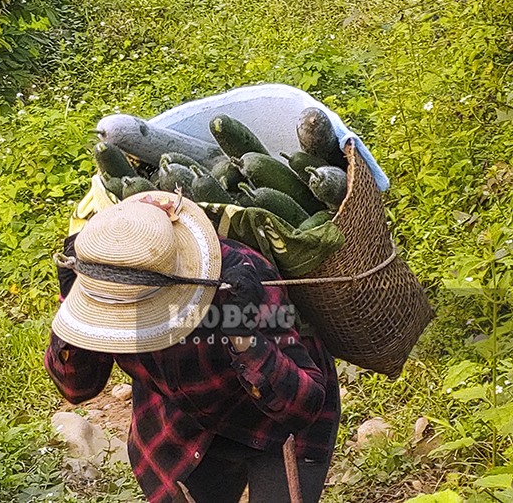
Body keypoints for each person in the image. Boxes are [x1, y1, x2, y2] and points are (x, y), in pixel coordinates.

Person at [45, 191, 340, 503]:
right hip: (183, 423)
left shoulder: (239, 277)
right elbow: (76, 389)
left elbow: (304, 406)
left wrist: (241, 332)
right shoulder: (100, 285)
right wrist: (72, 314)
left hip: (274, 422)